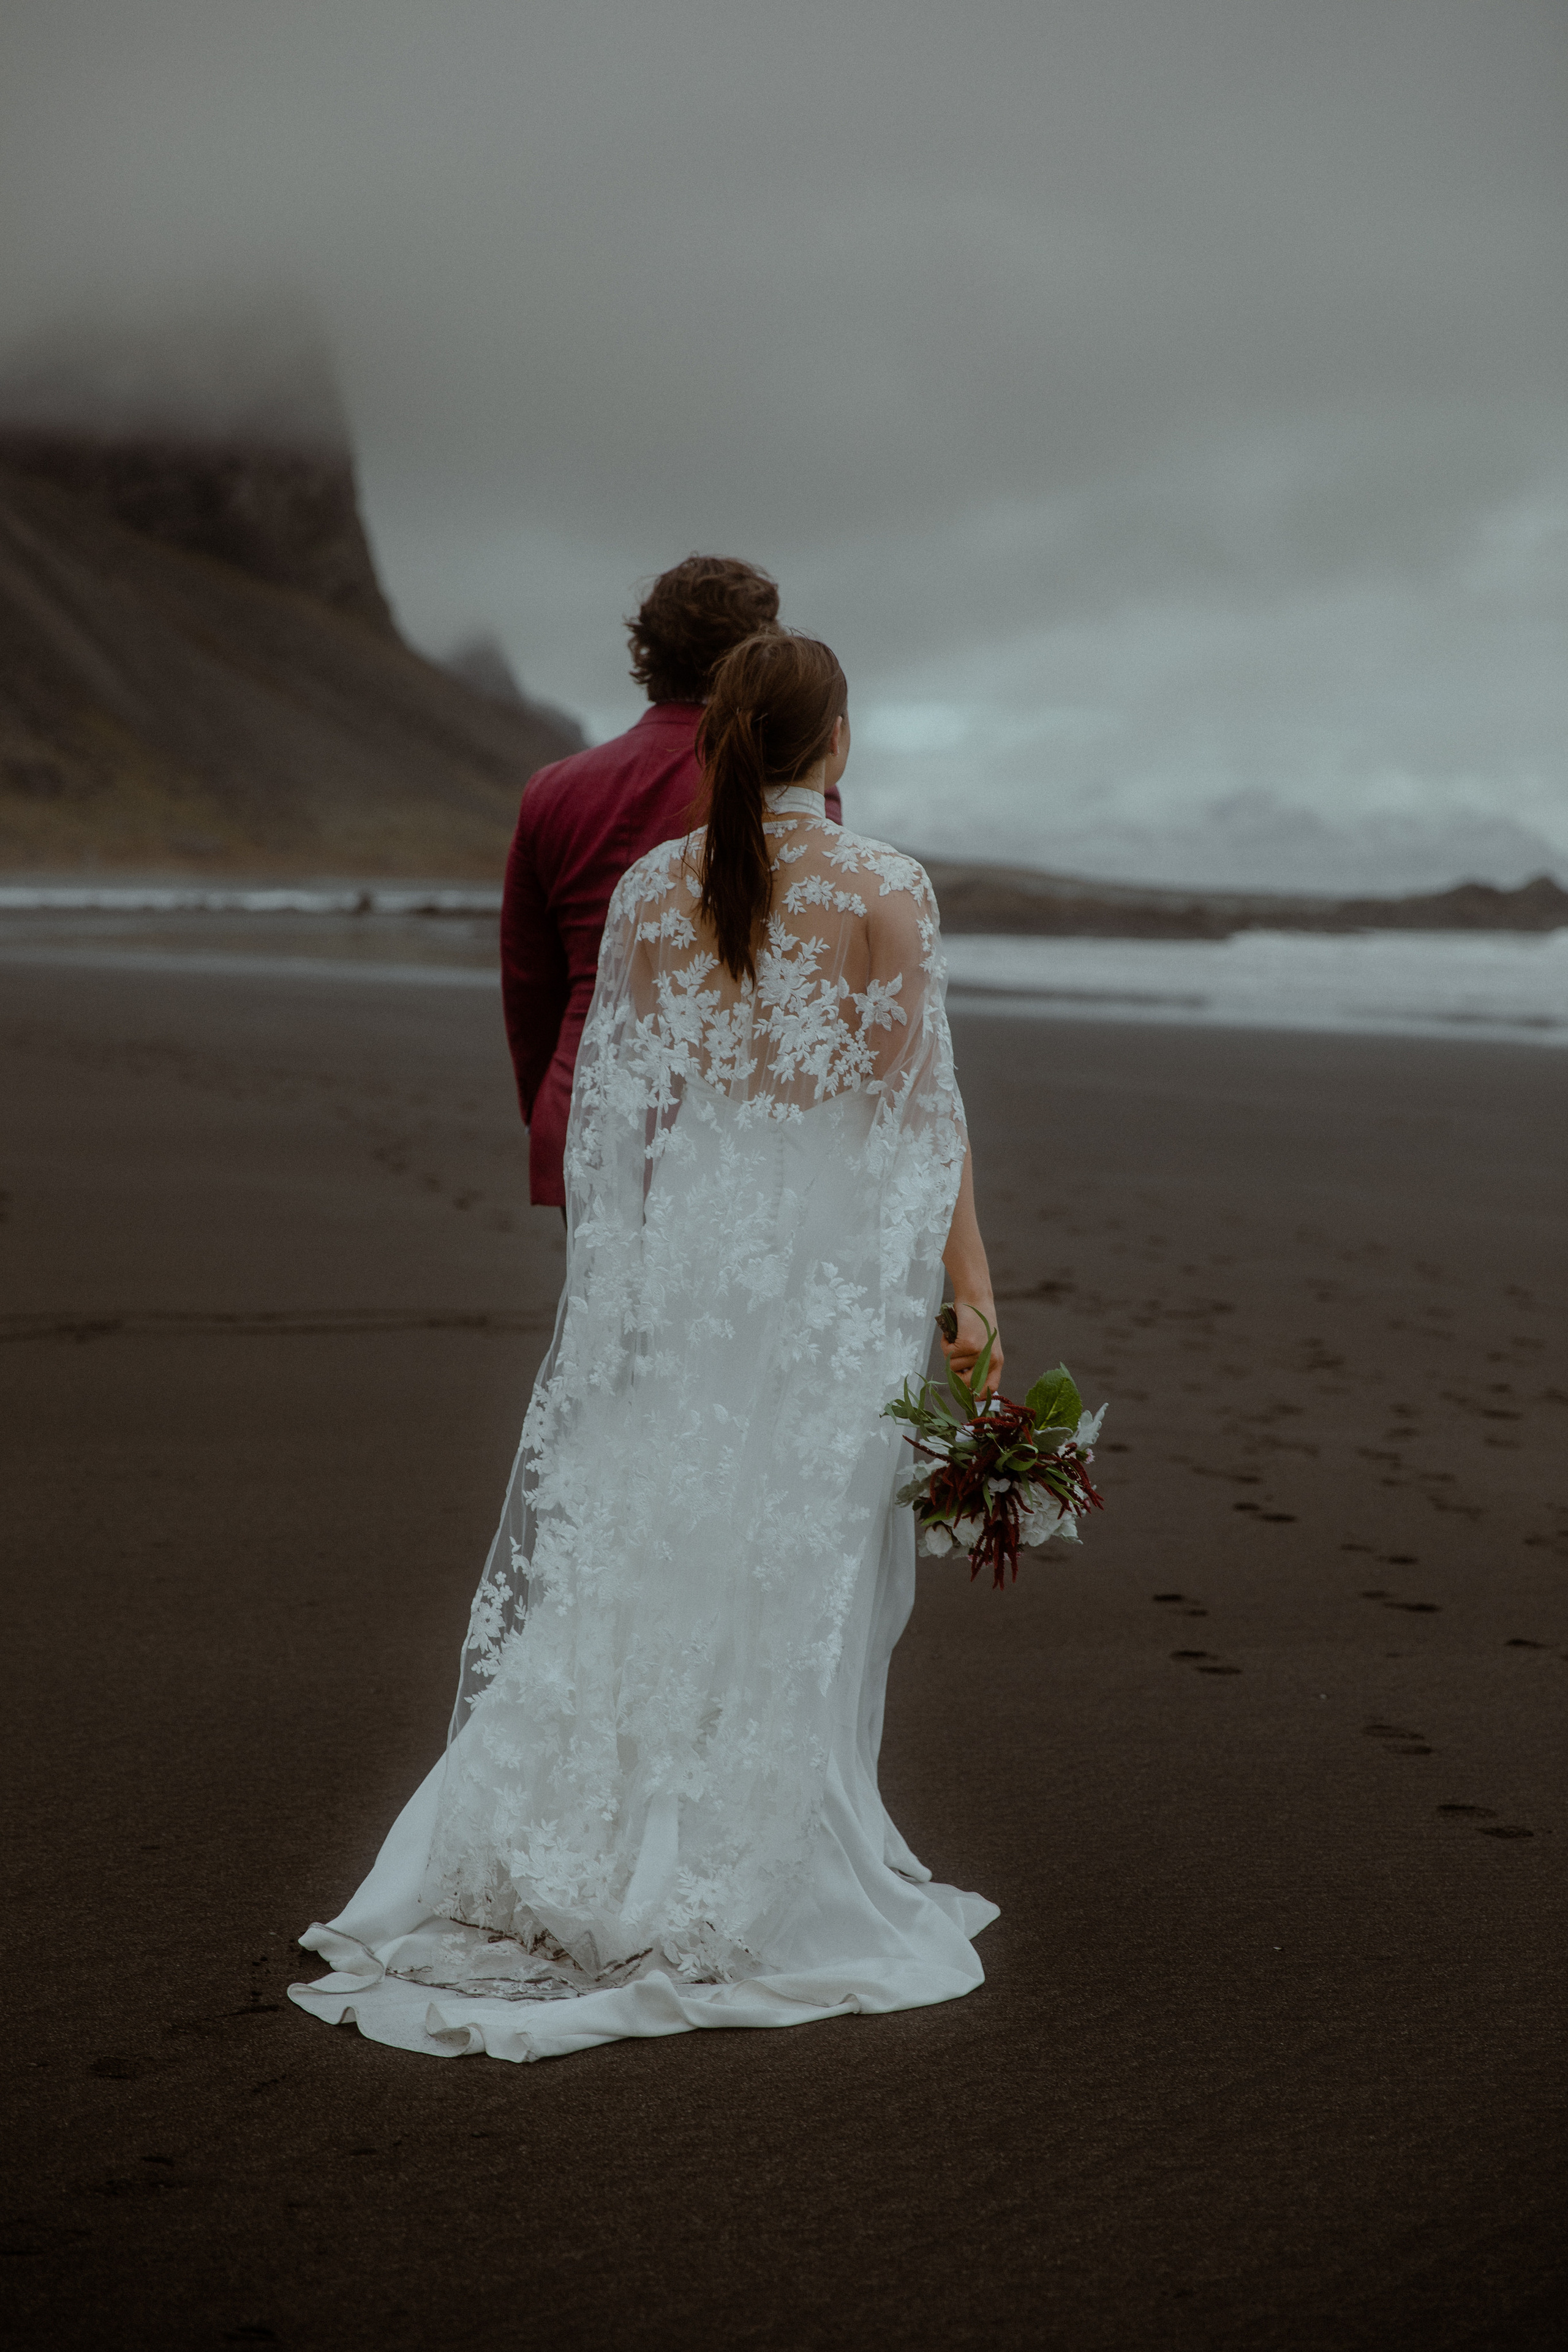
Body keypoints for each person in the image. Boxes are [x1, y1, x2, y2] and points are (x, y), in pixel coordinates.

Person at [290, 630, 1002, 2064]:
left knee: (656, 1539)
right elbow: (914, 1126)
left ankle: (589, 1823)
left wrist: (615, 1294)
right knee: (785, 1557)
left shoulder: (647, 894)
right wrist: (967, 1301)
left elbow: (619, 1117)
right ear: (836, 745)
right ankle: (752, 1848)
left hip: (689, 1253)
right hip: (818, 1270)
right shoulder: (884, 887)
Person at [500, 553, 843, 1211]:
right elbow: (813, 977)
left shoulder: (551, 791)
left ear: (649, 651)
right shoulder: (792, 792)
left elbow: (529, 987)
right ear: (758, 657)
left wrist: (548, 1106)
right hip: (731, 1123)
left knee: (608, 1312)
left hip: (586, 1103)